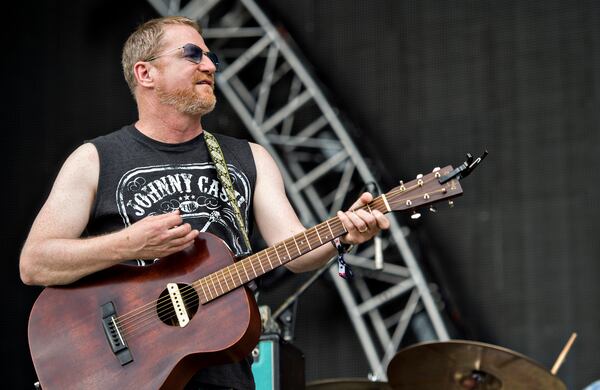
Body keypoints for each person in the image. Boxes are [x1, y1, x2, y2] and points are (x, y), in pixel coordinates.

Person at [19, 16, 390, 390]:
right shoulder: (94, 159)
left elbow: (292, 250)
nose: (210, 65)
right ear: (146, 73)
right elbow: (35, 264)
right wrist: (129, 244)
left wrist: (342, 233)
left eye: (211, 56)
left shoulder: (250, 157)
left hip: (226, 377)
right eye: (192, 54)